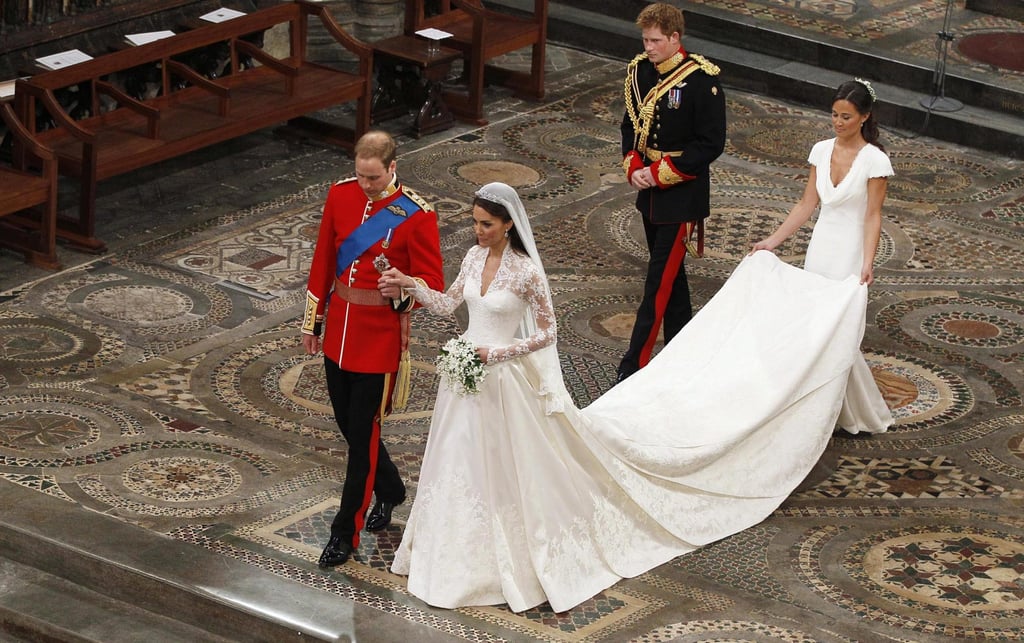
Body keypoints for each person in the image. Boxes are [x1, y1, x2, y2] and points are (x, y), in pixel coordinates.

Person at [379, 182, 873, 613]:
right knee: (456, 462)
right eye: (474, 223)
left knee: (506, 466)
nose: (477, 231)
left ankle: (505, 555)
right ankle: (448, 552)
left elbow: (547, 334)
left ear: (508, 224)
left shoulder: (525, 272)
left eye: (486, 224)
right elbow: (448, 305)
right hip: (464, 380)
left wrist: (499, 352)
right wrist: (412, 285)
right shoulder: (471, 258)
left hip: (503, 380)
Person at [301, 130, 444, 569]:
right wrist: (313, 321)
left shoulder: (416, 215)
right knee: (350, 426)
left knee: (362, 439)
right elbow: (324, 259)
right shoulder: (340, 195)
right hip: (339, 331)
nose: (366, 185)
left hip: (379, 340)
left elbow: (432, 285)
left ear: (392, 167)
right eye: (361, 176)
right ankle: (392, 488)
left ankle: (344, 532)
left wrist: (404, 289)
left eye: (374, 178)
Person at [751, 78, 894, 434]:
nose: (838, 122)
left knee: (836, 330)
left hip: (850, 251)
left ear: (864, 117)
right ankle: (820, 409)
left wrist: (867, 262)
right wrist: (772, 241)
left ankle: (837, 412)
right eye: (834, 115)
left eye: (846, 117)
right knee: (816, 327)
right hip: (822, 247)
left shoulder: (875, 161)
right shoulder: (820, 150)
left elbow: (873, 215)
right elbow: (806, 204)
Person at [617, 2, 727, 383]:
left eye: (655, 41)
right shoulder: (641, 72)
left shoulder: (701, 81)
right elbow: (630, 125)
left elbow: (710, 143)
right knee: (672, 280)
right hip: (649, 193)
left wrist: (658, 174)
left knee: (658, 283)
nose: (648, 48)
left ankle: (633, 366)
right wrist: (633, 166)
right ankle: (684, 353)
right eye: (645, 40)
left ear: (675, 38)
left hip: (681, 194)